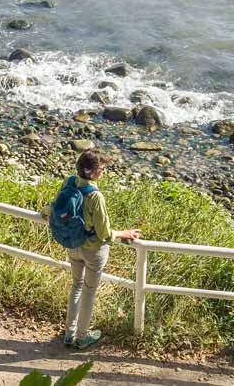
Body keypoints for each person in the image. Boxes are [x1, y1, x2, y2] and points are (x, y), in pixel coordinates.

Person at [48, 149, 141, 350]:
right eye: (102, 169)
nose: (104, 172)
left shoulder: (69, 182)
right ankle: (82, 337)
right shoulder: (95, 196)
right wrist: (123, 233)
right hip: (93, 251)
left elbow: (55, 207)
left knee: (76, 286)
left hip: (73, 244)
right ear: (92, 172)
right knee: (89, 292)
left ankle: (69, 333)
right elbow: (104, 233)